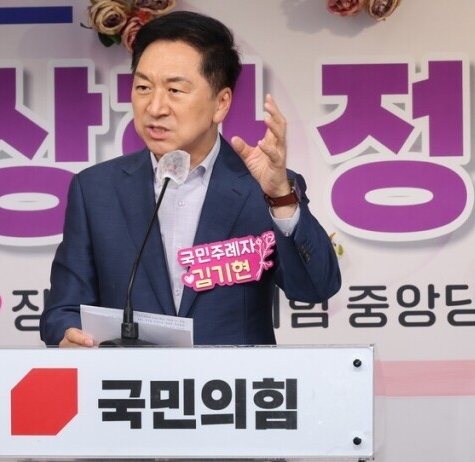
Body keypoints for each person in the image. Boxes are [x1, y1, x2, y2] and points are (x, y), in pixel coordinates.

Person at [40, 10, 341, 347]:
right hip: (131, 381)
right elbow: (63, 310)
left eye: (175, 90)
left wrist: (280, 198)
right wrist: (68, 335)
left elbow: (316, 289)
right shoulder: (96, 190)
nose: (155, 107)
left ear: (220, 103)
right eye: (143, 87)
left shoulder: (263, 188)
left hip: (235, 380)